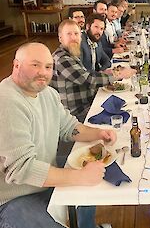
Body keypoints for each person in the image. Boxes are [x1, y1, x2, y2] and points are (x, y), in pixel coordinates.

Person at [0, 42, 117, 228]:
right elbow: (21, 169)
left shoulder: (48, 94)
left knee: (95, 167)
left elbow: (69, 128)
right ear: (16, 65)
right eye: (35, 65)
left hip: (44, 173)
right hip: (13, 197)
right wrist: (80, 177)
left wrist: (99, 133)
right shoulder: (6, 101)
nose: (43, 72)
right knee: (86, 176)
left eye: (48, 67)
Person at [51, 19, 134, 122]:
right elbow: (88, 80)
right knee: (124, 114)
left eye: (76, 34)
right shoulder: (62, 59)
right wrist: (119, 74)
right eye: (69, 34)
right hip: (76, 114)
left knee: (125, 103)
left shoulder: (70, 54)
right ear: (60, 38)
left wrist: (103, 73)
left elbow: (85, 74)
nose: (73, 37)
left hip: (86, 103)